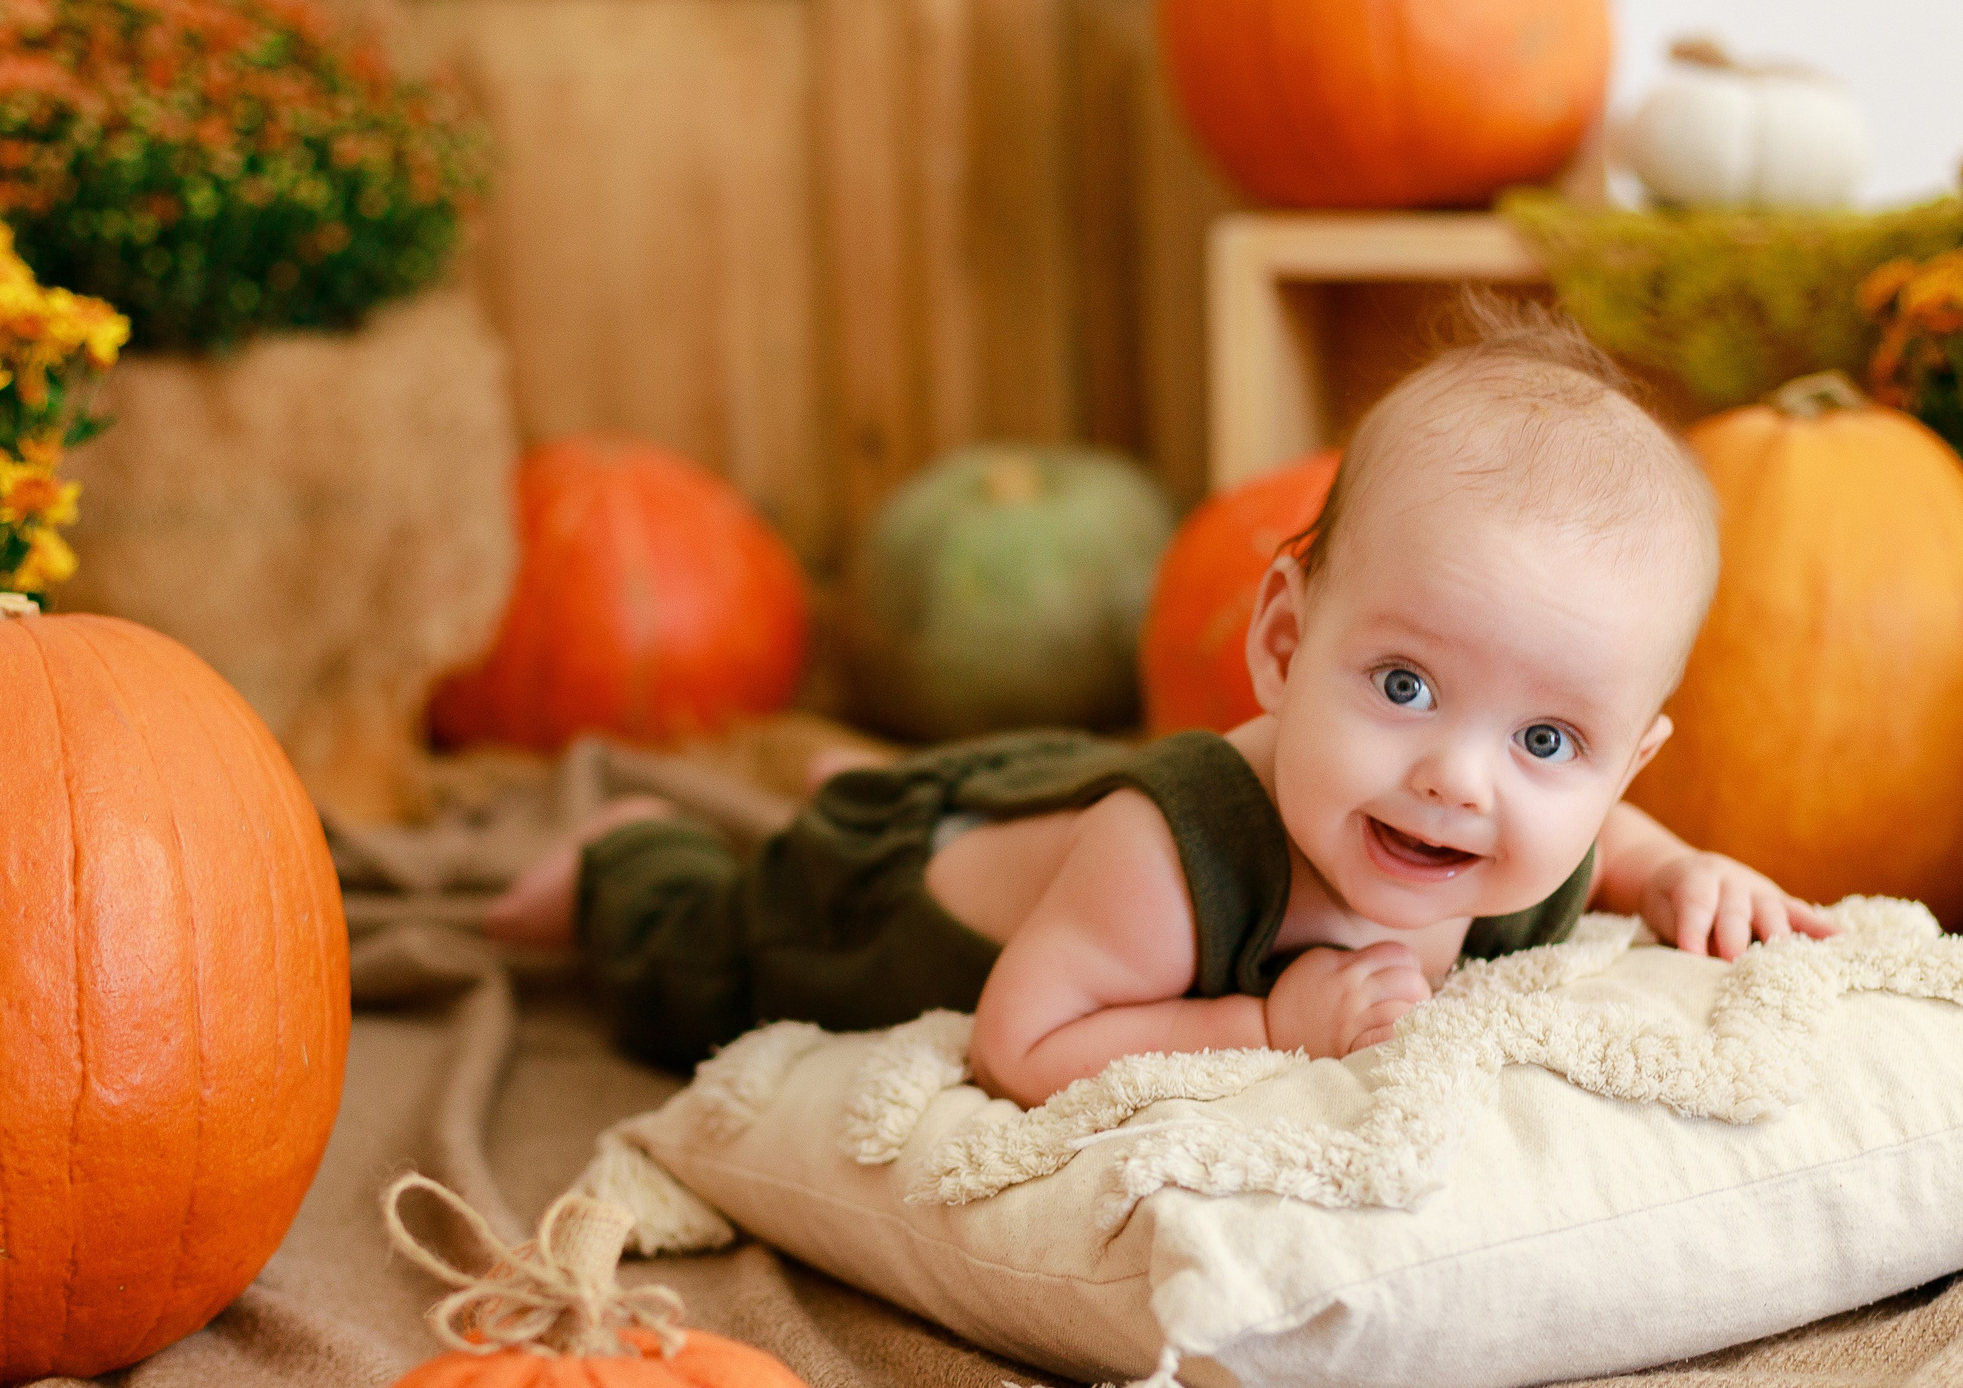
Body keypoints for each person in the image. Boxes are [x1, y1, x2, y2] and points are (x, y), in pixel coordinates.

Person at [486, 294, 1837, 1104]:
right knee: (695, 974)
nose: (1459, 778)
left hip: (1063, 812)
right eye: (1405, 684)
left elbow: (1606, 854)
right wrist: (1265, 1027)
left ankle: (894, 787)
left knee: (1041, 801)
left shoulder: (1515, 835)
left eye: (1547, 740)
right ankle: (631, 855)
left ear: (1622, 766)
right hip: (881, 912)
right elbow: (1020, 1045)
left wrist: (1679, 874)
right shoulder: (1174, 859)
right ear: (1282, 643)